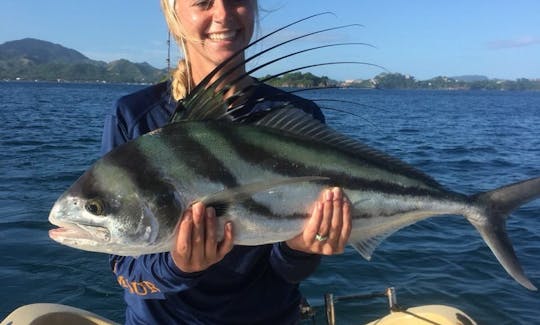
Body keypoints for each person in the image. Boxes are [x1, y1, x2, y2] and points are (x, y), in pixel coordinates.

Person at [100, 0, 352, 324]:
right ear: (173, 15)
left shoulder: (295, 118)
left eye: (238, 0)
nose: (223, 14)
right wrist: (177, 266)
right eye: (203, 2)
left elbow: (288, 273)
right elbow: (126, 270)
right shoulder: (134, 118)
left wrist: (301, 247)